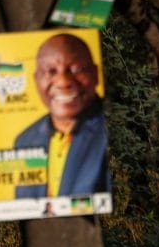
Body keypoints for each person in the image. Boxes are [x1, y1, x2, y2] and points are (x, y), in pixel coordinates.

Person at [14, 33, 110, 199]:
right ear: (36, 80)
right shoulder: (24, 141)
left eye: (76, 69)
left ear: (96, 74)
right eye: (51, 71)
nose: (63, 81)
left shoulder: (114, 128)